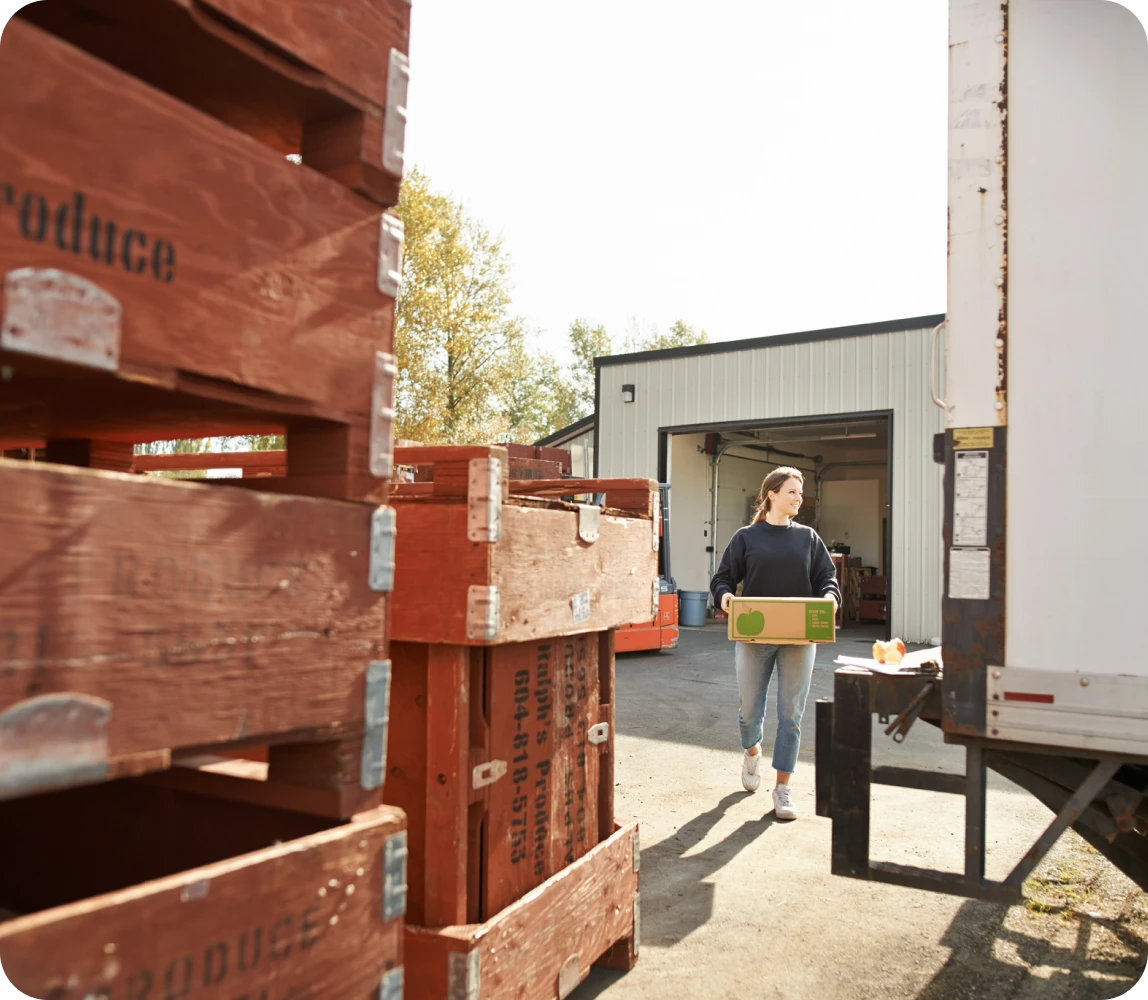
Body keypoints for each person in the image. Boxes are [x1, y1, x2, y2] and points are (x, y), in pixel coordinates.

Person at [710, 466, 840, 820]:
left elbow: (827, 578)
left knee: (791, 716)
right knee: (750, 710)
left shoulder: (808, 538)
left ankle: (783, 788)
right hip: (755, 636)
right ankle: (752, 752)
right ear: (771, 494)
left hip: (799, 638)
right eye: (793, 492)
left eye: (800, 492)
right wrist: (724, 599)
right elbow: (722, 578)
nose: (800, 498)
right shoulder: (746, 538)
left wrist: (830, 597)